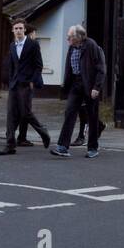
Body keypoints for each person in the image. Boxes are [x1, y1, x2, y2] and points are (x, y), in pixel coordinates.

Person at [50, 25, 106, 158]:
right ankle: (63, 146)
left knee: (91, 116)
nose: (67, 38)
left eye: (70, 36)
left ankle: (93, 148)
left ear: (79, 37)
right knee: (69, 113)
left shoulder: (91, 46)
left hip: (90, 85)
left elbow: (101, 68)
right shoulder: (71, 47)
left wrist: (96, 87)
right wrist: (65, 85)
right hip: (76, 85)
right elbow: (69, 68)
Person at [0, 20, 50, 154]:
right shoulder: (12, 45)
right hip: (14, 84)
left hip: (26, 84)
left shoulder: (33, 44)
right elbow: (12, 65)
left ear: (24, 30)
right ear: (13, 31)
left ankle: (43, 132)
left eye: (21, 28)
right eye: (16, 28)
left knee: (25, 113)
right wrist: (10, 81)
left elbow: (39, 65)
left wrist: (33, 81)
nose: (18, 30)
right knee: (11, 114)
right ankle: (10, 145)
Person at [17, 24, 45, 145]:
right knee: (25, 111)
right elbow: (38, 65)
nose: (35, 35)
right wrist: (33, 80)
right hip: (24, 83)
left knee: (23, 111)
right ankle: (39, 133)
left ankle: (20, 137)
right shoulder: (28, 45)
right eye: (34, 33)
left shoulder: (29, 45)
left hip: (24, 82)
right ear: (30, 33)